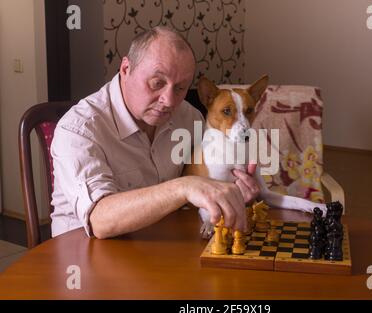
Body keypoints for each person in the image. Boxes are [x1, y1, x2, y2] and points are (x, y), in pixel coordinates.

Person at [50, 27, 260, 239]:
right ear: (125, 68)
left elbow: (204, 186)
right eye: (157, 83)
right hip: (84, 254)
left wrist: (236, 192)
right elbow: (99, 220)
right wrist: (183, 188)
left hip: (161, 247)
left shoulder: (189, 118)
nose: (168, 101)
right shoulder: (79, 129)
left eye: (180, 88)